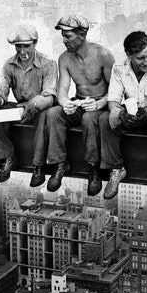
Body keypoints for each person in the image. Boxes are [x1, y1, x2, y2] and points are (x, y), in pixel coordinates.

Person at [43, 14, 115, 195]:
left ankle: (93, 169)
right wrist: (66, 103)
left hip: (101, 104)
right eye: (63, 35)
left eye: (68, 36)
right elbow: (62, 90)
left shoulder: (103, 55)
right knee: (53, 114)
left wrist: (99, 104)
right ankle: (60, 164)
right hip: (80, 101)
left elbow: (115, 91)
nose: (64, 40)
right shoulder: (65, 59)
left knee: (89, 119)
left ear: (82, 35)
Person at [99, 31, 147, 206]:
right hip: (131, 113)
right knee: (104, 120)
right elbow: (113, 99)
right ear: (129, 55)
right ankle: (116, 168)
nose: (146, 62)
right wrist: (121, 114)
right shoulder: (119, 68)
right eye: (141, 58)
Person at [0, 24, 57, 183]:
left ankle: (38, 166)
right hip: (21, 106)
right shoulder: (9, 64)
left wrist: (34, 104)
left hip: (41, 105)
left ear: (35, 43)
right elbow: (2, 90)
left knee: (44, 117)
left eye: (26, 46)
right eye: (19, 47)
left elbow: (49, 94)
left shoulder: (48, 63)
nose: (22, 51)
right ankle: (8, 156)